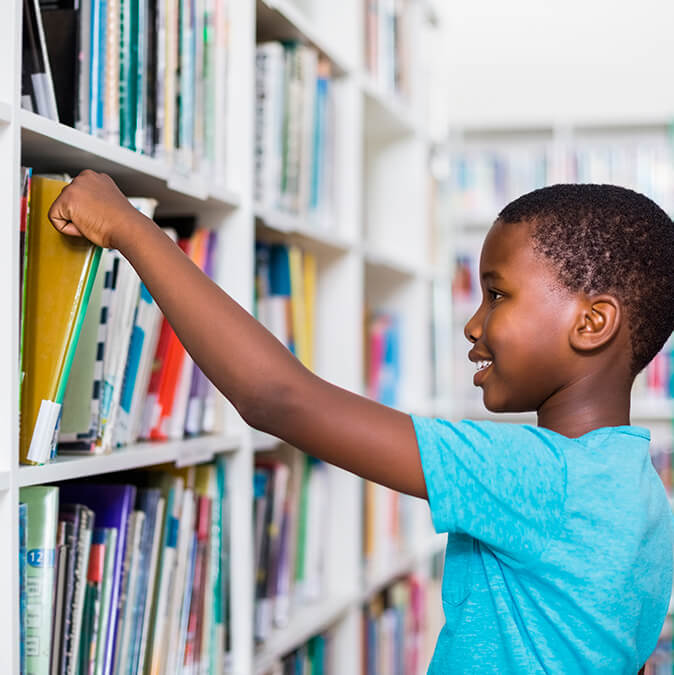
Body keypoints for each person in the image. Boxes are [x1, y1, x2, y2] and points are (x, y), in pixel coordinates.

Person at [49, 174, 673, 673]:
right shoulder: (642, 495)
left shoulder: (540, 476)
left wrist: (131, 227)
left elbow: (278, 398)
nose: (473, 325)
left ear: (592, 323)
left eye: (498, 294)